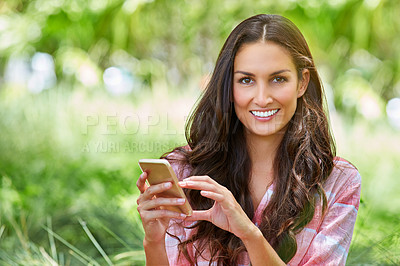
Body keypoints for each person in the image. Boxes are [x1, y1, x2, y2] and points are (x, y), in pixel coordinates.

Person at [136, 14, 361, 265]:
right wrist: (153, 242)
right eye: (246, 80)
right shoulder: (185, 171)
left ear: (302, 83)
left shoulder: (338, 181)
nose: (262, 98)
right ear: (228, 87)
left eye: (278, 79)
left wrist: (249, 234)